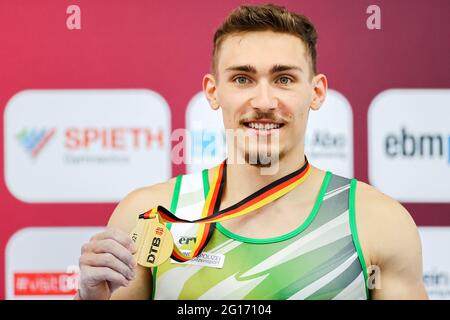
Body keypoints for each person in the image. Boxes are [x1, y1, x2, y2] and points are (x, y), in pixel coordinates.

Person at [76, 4, 428, 300]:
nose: (263, 102)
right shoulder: (147, 216)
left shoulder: (379, 222)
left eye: (284, 79)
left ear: (317, 92)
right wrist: (89, 299)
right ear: (213, 92)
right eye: (242, 79)